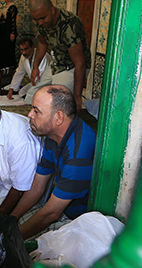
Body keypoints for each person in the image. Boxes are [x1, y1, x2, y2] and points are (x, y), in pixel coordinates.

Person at [10, 85, 96, 240]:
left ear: (58, 117)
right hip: (60, 207)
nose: (29, 114)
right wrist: (11, 219)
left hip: (77, 220)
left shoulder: (78, 153)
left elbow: (52, 213)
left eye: (36, 111)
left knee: (20, 241)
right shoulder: (53, 136)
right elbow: (37, 186)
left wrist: (12, 238)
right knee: (14, 223)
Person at [28, 0, 90, 111]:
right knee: (32, 95)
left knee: (57, 104)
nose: (40, 23)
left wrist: (77, 96)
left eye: (42, 18)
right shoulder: (42, 21)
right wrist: (35, 66)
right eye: (36, 19)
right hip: (57, 64)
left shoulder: (69, 24)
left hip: (71, 67)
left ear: (52, 10)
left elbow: (80, 63)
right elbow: (42, 43)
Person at [6, 35, 53, 104]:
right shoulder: (23, 57)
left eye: (26, 49)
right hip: (34, 83)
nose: (24, 53)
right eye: (22, 50)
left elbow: (40, 78)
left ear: (32, 47)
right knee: (22, 92)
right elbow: (19, 73)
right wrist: (11, 89)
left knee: (30, 95)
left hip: (45, 83)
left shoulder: (43, 56)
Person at [0, 0, 18, 73]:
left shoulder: (12, 8)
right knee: (3, 48)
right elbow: (3, 20)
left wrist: (12, 33)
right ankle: (2, 66)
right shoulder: (6, 8)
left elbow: (13, 21)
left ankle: (9, 67)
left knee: (8, 49)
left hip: (8, 32)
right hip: (4, 32)